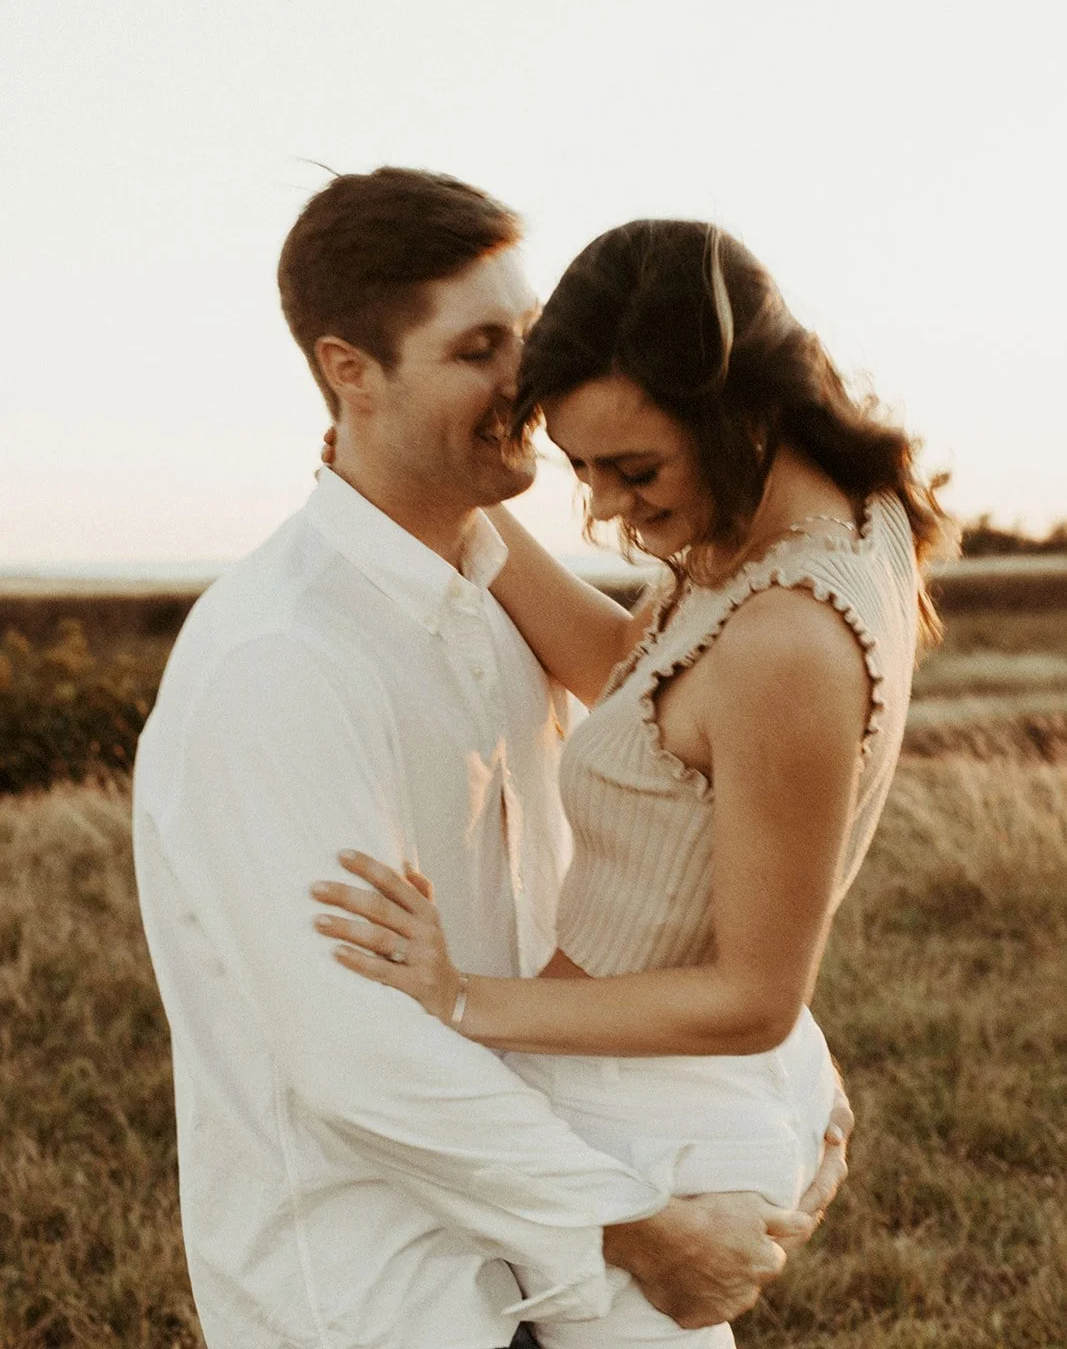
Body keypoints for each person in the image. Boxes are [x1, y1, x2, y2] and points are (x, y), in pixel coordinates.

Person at [133, 173, 847, 1349]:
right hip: (394, 1288)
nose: (528, 375)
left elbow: (655, 852)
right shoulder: (277, 661)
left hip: (590, 1241)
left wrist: (786, 1077)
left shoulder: (490, 591)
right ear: (348, 371)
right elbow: (354, 1056)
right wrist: (638, 1223)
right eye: (477, 347)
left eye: (525, 331)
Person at [311, 215, 952, 1347]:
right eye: (584, 470)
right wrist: (463, 502)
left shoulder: (787, 638)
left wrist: (462, 999)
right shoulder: (819, 524)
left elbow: (754, 994)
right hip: (670, 1089)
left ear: (741, 405)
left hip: (648, 1107)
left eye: (635, 468)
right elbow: (650, 692)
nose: (609, 508)